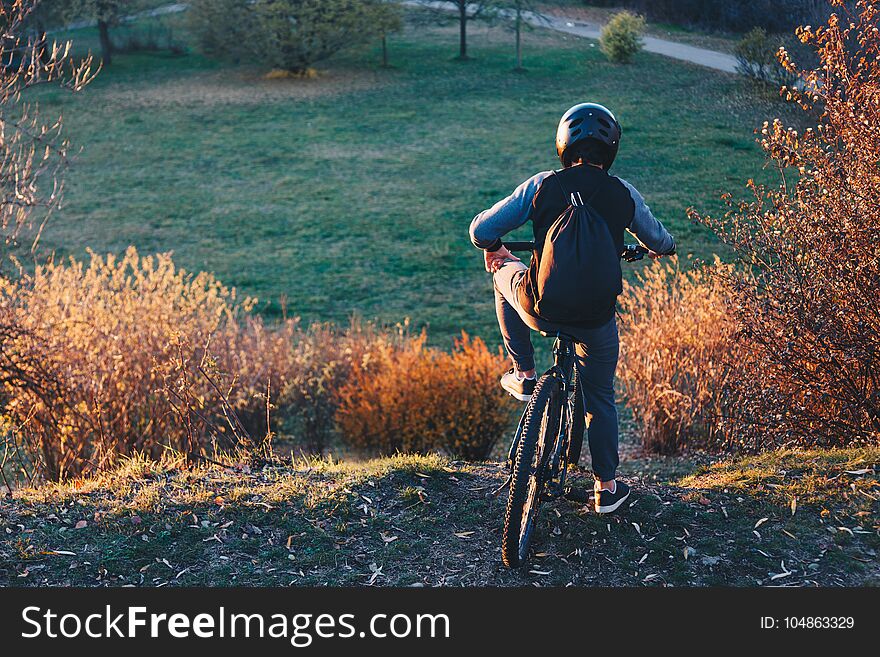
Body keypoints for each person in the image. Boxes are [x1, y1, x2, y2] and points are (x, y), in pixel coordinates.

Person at [469, 102, 676, 514]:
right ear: (611, 148)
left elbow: (481, 231)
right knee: (600, 396)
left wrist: (496, 250)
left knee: (502, 272)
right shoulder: (623, 194)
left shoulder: (542, 186)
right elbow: (662, 241)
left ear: (563, 144)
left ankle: (525, 373)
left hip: (540, 307)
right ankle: (606, 489)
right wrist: (654, 250)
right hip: (596, 321)